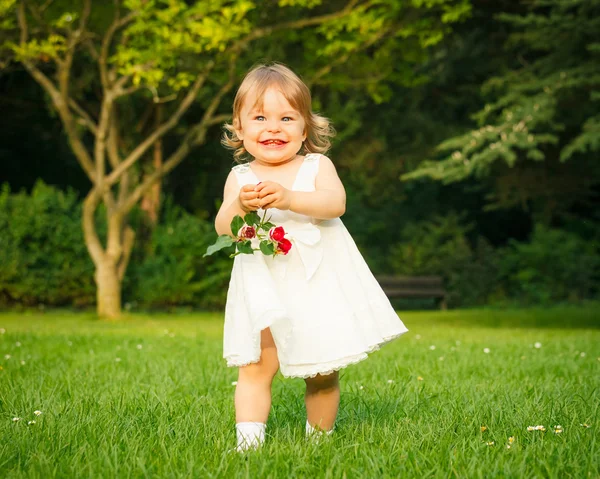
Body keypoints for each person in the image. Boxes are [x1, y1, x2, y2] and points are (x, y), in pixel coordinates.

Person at [214, 62, 408, 453]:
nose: (274, 128)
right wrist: (240, 206)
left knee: (322, 371)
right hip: (264, 286)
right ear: (240, 128)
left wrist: (288, 199)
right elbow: (223, 226)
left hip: (316, 284)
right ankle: (247, 448)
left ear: (305, 128)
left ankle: (318, 443)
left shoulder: (316, 166)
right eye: (260, 117)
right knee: (254, 367)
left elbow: (335, 204)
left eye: (287, 117)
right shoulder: (241, 178)